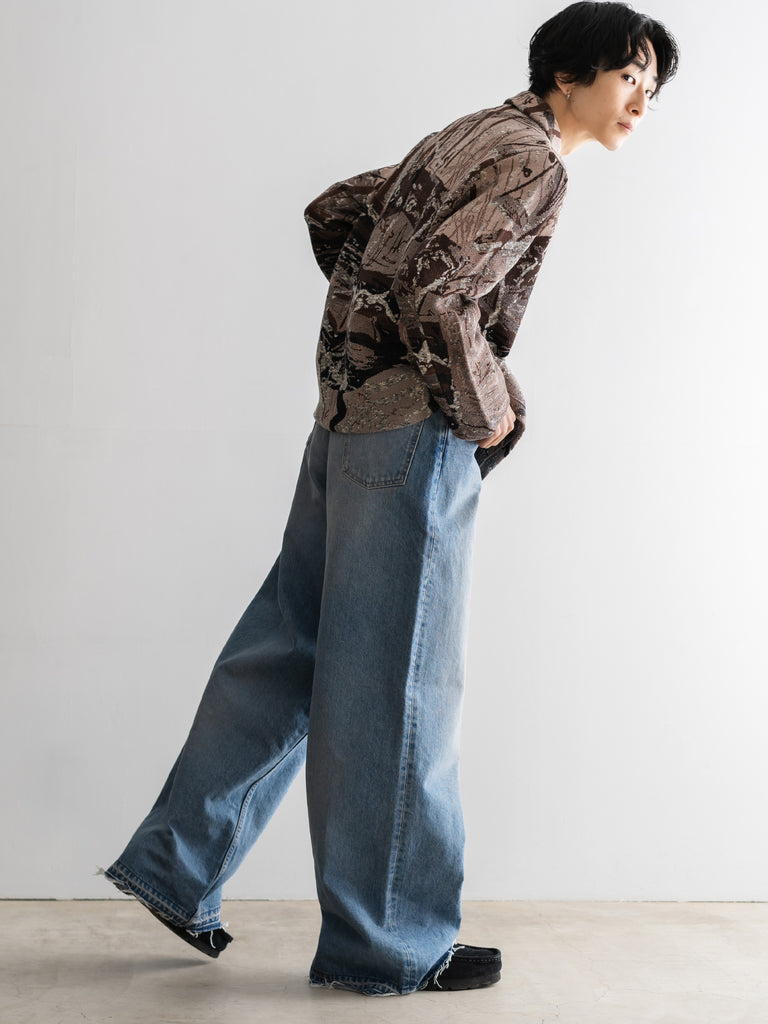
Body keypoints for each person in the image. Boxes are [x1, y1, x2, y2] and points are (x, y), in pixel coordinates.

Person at [104, 1, 679, 996]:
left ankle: (175, 863)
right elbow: (437, 296)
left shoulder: (465, 134)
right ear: (570, 72)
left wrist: (367, 352)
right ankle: (388, 941)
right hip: (408, 438)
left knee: (290, 648)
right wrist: (484, 407)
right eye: (629, 75)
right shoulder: (532, 160)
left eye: (652, 87)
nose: (640, 99)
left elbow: (336, 212)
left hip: (342, 424)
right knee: (399, 686)